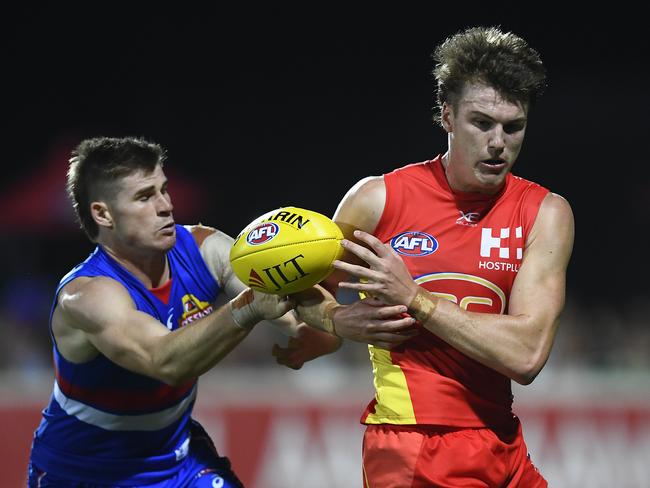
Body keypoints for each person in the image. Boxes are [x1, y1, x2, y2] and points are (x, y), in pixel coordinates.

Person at [273, 26, 574, 487]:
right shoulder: (377, 200)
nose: (498, 142)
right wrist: (333, 321)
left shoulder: (544, 213)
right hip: (415, 446)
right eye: (482, 123)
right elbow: (306, 291)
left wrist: (416, 298)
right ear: (447, 116)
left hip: (504, 443)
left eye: (513, 127)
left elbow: (528, 355)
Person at [26, 136, 310, 487]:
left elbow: (288, 308)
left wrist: (327, 323)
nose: (165, 206)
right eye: (145, 196)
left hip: (178, 461)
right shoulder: (86, 296)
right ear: (103, 213)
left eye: (164, 189)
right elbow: (166, 362)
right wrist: (248, 308)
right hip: (85, 473)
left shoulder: (205, 247)